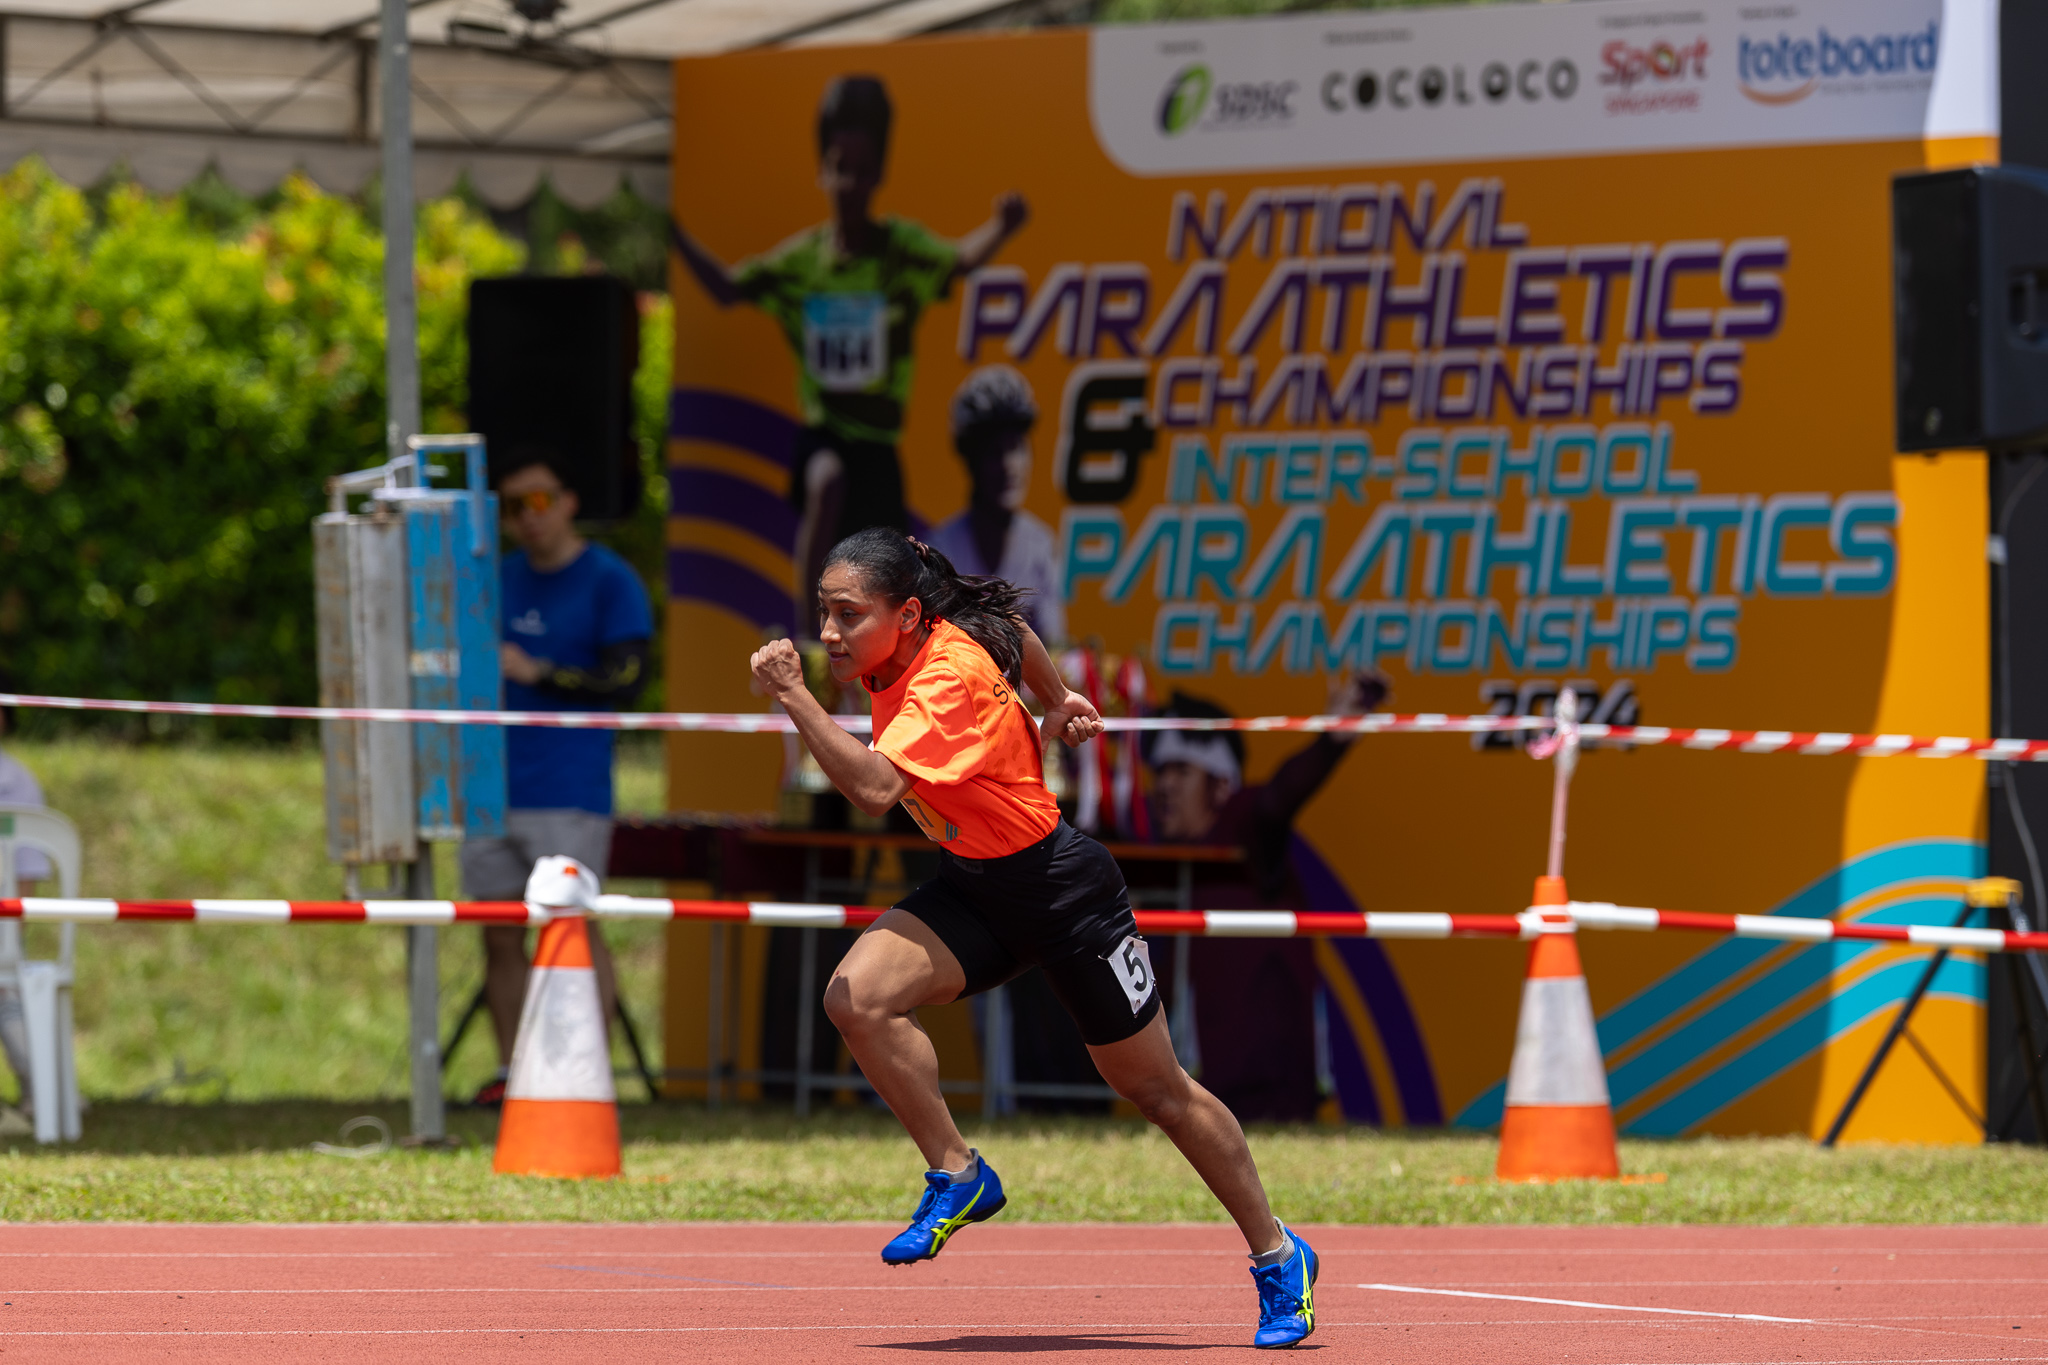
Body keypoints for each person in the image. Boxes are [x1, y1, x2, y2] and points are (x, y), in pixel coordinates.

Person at [748, 528, 1321, 1350]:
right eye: (823, 613)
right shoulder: (936, 628)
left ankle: (1278, 1252)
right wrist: (1054, 697)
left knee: (1157, 1091)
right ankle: (957, 1170)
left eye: (847, 615)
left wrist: (794, 696)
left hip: (1061, 891)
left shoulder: (944, 676)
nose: (830, 632)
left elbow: (874, 788)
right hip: (976, 887)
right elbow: (1011, 627)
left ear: (907, 616)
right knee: (857, 997)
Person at [671, 75, 1030, 626]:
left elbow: (959, 259)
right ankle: (807, 628)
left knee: (891, 560)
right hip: (826, 437)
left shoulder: (899, 251)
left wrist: (1000, 229)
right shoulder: (802, 262)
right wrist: (676, 235)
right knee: (826, 480)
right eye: (840, 167)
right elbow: (725, 288)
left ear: (879, 174)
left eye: (862, 171)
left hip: (877, 448)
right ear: (822, 170)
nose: (849, 182)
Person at [460, 450, 654, 1106]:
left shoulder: (609, 578)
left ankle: (583, 1083)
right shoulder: (493, 576)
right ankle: (517, 1080)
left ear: (570, 502)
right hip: (490, 783)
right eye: (513, 507)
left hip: (569, 788)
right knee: (496, 931)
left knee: (573, 925)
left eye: (538, 502)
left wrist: (541, 671)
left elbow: (629, 679)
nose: (526, 519)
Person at [1144, 672, 1389, 1123]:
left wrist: (1330, 741)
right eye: (1160, 772)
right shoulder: (1165, 859)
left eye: (1180, 770)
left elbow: (1278, 799)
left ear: (1221, 785)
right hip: (1208, 1091)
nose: (1164, 787)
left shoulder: (1245, 826)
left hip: (1272, 1088)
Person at [926, 366, 1063, 645]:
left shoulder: (1041, 546)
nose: (1008, 466)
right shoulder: (937, 553)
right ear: (970, 461)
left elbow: (1056, 655)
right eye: (993, 452)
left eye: (1016, 448)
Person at [0, 691, 49, 1121]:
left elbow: (28, 869)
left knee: (8, 986)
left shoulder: (18, 781)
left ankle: (44, 1091)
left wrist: (11, 933)